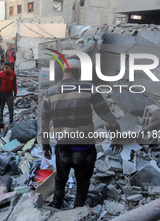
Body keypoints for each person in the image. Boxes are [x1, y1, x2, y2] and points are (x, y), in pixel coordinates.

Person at [41, 59, 123, 209]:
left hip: (63, 147)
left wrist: (45, 145)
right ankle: (77, 210)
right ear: (78, 72)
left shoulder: (50, 92)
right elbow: (107, 115)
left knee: (60, 178)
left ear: (64, 71)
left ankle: (56, 206)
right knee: (83, 181)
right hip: (84, 148)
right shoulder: (89, 88)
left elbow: (44, 123)